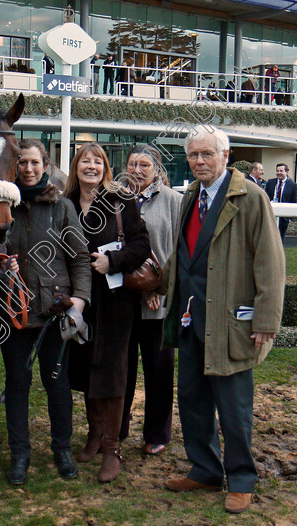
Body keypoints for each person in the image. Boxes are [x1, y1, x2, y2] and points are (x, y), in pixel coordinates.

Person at [162, 126, 285, 515]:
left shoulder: (251, 197)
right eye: (194, 155)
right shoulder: (191, 196)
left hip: (232, 324)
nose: (199, 161)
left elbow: (270, 262)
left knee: (233, 410)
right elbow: (187, 255)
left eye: (206, 155)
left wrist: (265, 320)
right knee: (193, 403)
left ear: (225, 155)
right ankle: (205, 470)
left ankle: (242, 480)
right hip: (190, 321)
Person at [2, 139, 91, 486]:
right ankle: (19, 454)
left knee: (57, 383)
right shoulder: (1, 205)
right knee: (17, 383)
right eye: (21, 162)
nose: (27, 169)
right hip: (14, 310)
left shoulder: (62, 206)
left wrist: (80, 299)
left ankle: (62, 449)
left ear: (45, 165)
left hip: (55, 311)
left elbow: (80, 258)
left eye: (34, 162)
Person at [64, 143, 150, 483]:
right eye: (85, 160)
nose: (91, 166)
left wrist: (112, 261)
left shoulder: (120, 201)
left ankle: (112, 447)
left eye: (97, 161)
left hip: (115, 300)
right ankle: (94, 435)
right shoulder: (64, 204)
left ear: (105, 169)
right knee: (85, 368)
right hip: (78, 300)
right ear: (76, 167)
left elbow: (141, 244)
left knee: (112, 369)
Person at [118, 145, 180, 456]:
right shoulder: (115, 199)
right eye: (132, 164)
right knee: (122, 369)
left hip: (159, 304)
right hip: (123, 300)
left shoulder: (172, 201)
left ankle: (157, 433)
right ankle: (117, 429)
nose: (138, 170)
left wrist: (159, 289)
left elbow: (179, 251)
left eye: (145, 165)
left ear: (157, 169)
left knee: (159, 370)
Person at [264, 163, 297, 242]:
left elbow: (294, 201)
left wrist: (290, 218)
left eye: (281, 171)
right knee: (269, 239)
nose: (279, 173)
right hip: (270, 215)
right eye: (277, 171)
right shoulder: (270, 182)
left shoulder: (292, 185)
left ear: (286, 172)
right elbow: (265, 197)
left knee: (279, 240)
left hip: (283, 217)